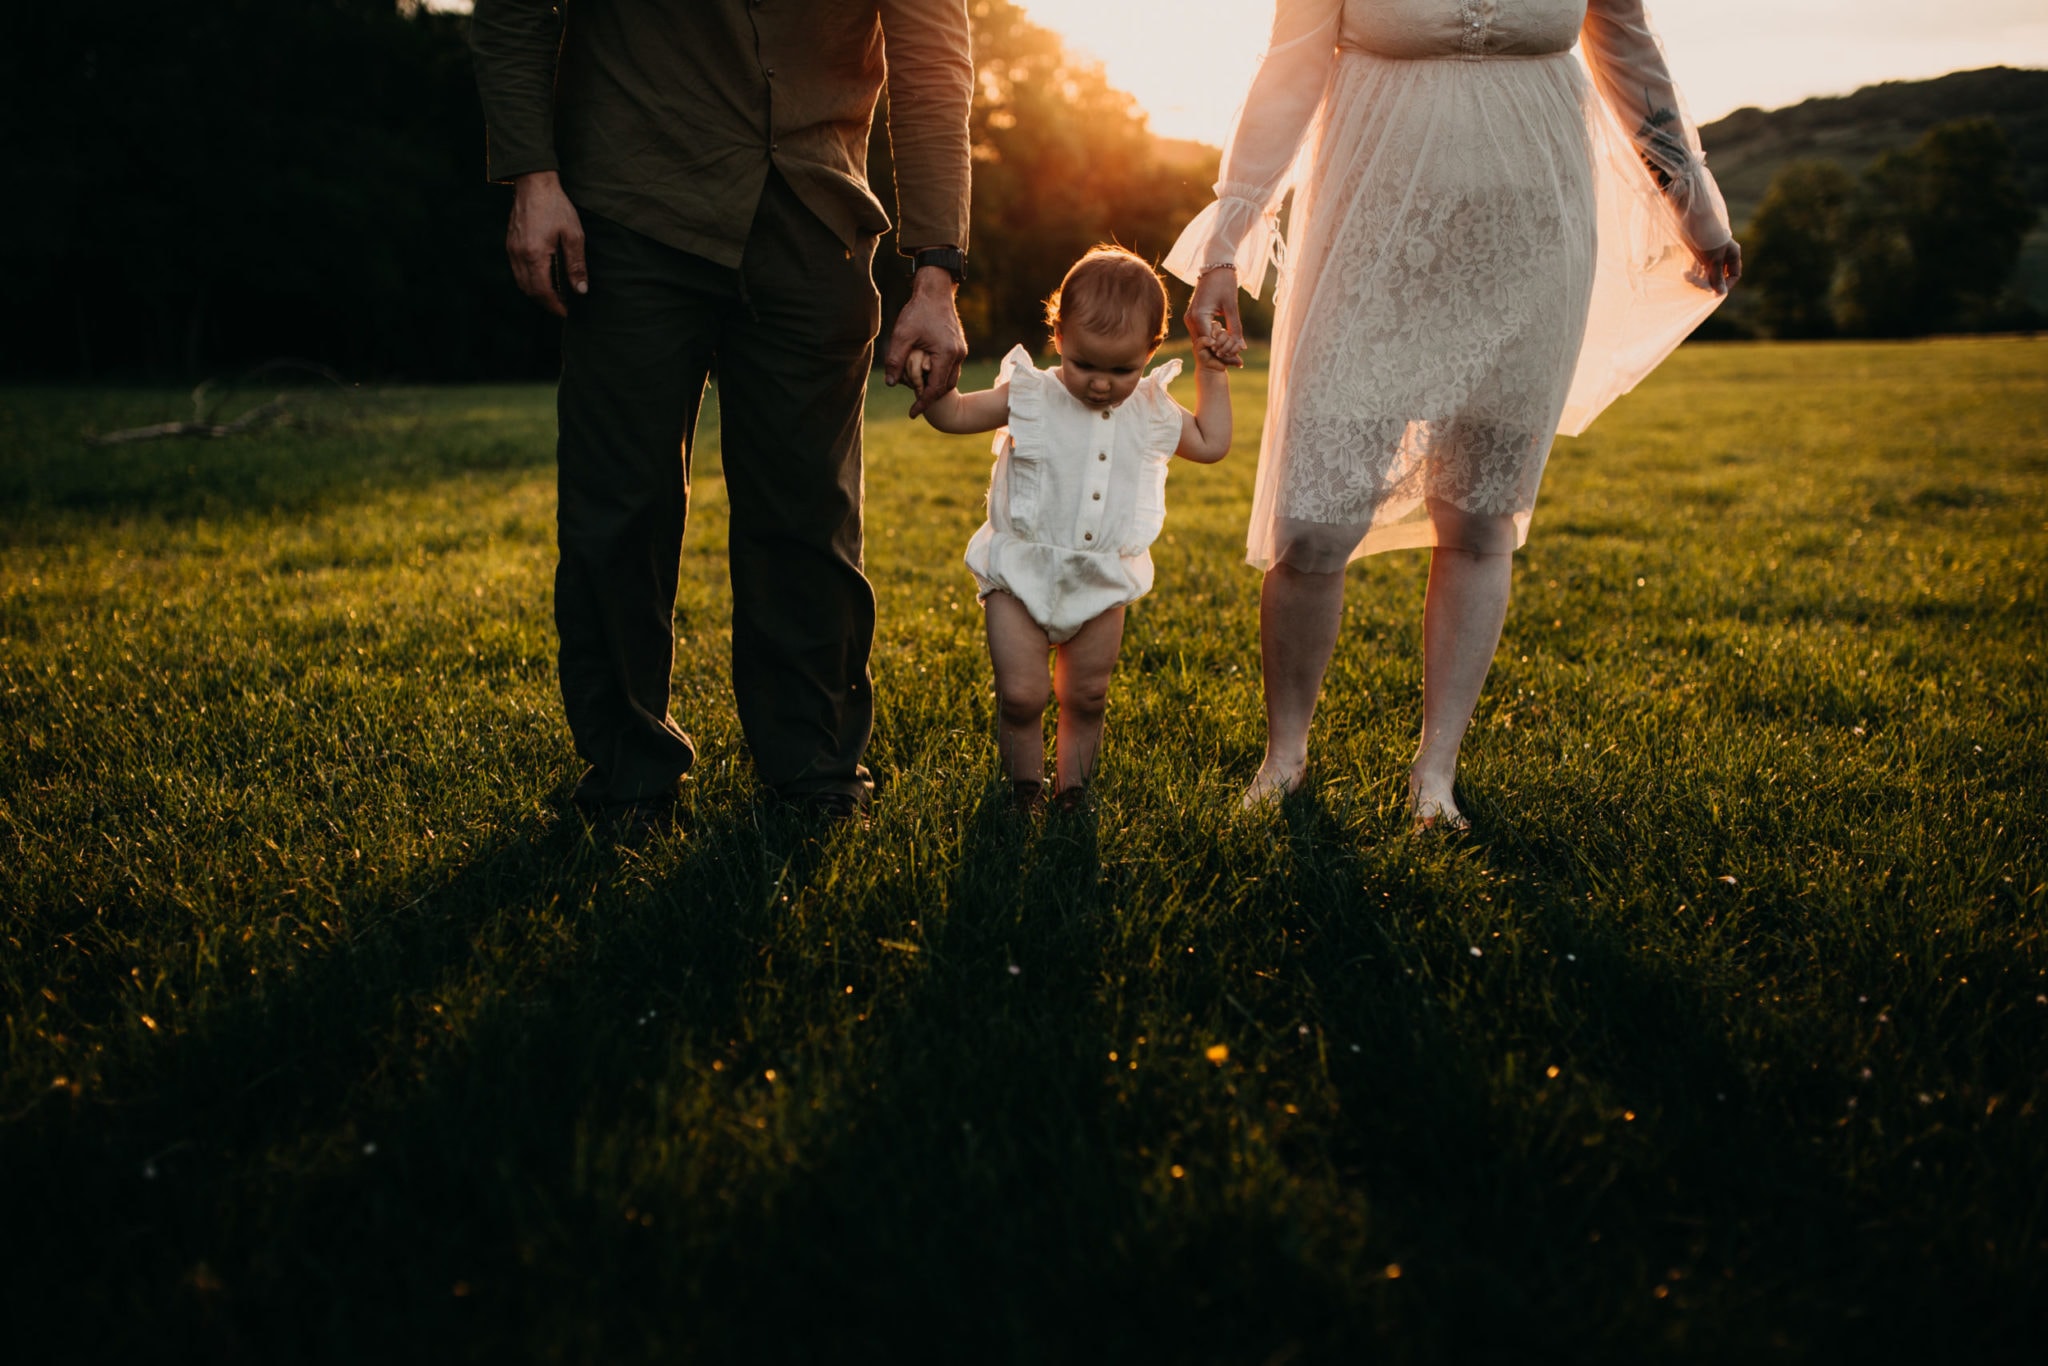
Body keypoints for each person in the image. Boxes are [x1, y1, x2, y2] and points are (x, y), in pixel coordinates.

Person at [1173, 0, 1741, 828]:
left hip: (1535, 231)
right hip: (1369, 227)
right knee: (1316, 521)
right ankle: (1284, 757)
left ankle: (1435, 774)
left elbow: (1628, 49)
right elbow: (1289, 66)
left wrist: (1694, 203)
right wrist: (1227, 238)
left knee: (1480, 516)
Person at [469, 1, 974, 828]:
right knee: (620, 504)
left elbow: (934, 57)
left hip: (815, 218)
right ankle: (628, 774)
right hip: (630, 211)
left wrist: (937, 272)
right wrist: (532, 173)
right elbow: (519, 9)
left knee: (808, 510)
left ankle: (813, 771)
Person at [910, 247, 1237, 811]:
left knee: (1087, 695)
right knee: (1022, 694)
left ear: (1151, 351)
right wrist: (931, 382)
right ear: (1058, 335)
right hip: (1021, 573)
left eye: (1122, 370)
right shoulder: (1033, 394)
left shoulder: (1153, 410)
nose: (1102, 384)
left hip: (1102, 579)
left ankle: (1073, 792)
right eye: (1086, 364)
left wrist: (1211, 370)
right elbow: (955, 415)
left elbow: (1212, 443)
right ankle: (1024, 790)